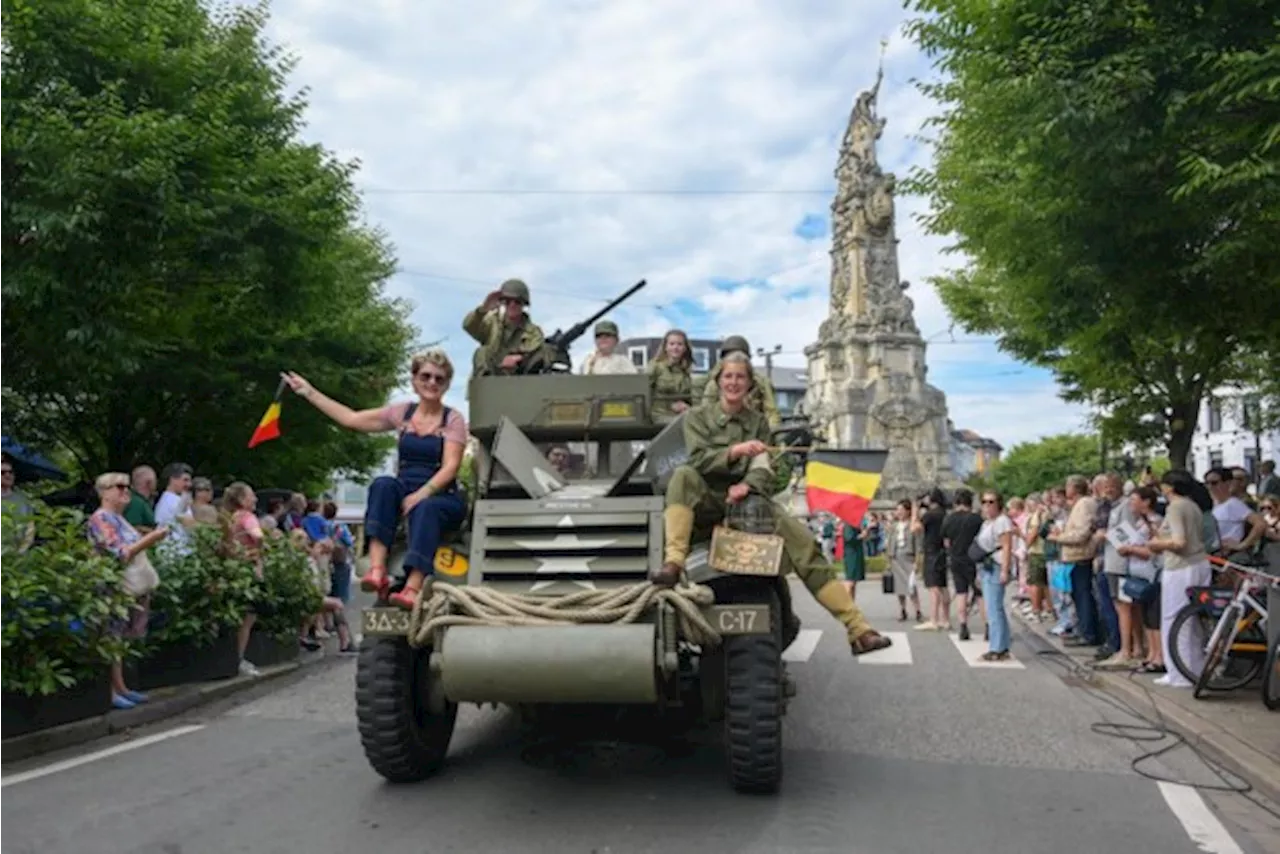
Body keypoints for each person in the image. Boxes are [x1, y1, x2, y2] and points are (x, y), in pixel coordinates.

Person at [652, 351, 891, 655]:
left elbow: (765, 468)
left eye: (740, 377)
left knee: (805, 545)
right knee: (683, 476)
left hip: (745, 501)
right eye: (728, 376)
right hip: (705, 496)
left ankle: (858, 629)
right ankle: (674, 561)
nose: (734, 382)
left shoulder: (758, 422)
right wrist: (737, 450)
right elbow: (698, 460)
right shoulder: (698, 417)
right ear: (718, 381)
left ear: (750, 383)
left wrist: (748, 485)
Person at [282, 349, 469, 611]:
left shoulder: (453, 420)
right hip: (404, 486)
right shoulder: (403, 413)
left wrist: (421, 494)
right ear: (414, 380)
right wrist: (310, 392)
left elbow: (451, 466)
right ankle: (377, 569)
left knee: (426, 508)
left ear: (447, 384)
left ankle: (413, 587)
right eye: (425, 376)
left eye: (439, 379)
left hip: (440, 495)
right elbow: (351, 419)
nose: (432, 383)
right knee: (382, 484)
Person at [87, 472, 169, 709]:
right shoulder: (101, 518)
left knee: (118, 639)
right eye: (119, 487)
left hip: (122, 588)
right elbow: (121, 553)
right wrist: (152, 538)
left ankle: (120, 687)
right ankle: (111, 692)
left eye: (127, 488)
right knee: (110, 639)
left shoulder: (117, 518)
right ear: (104, 492)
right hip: (110, 587)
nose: (125, 492)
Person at [1145, 469, 1211, 688]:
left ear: (1169, 487)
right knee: (1192, 621)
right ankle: (1194, 668)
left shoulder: (1176, 507)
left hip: (1180, 566)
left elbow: (1179, 542)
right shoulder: (1193, 505)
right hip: (1200, 564)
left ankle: (1178, 673)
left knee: (1174, 619)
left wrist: (1156, 545)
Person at [462, 278, 545, 378]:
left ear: (524, 304)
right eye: (508, 301)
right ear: (502, 302)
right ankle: (486, 385)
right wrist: (483, 309)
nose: (512, 305)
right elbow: (468, 326)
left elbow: (536, 356)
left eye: (517, 301)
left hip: (518, 380)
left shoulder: (534, 332)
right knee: (482, 352)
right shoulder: (492, 323)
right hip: (491, 378)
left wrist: (518, 359)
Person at [700, 335, 781, 428]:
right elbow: (706, 410)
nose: (733, 382)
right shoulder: (715, 383)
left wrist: (771, 434)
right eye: (730, 355)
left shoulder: (761, 383)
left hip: (754, 429)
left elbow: (771, 412)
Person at [974, 490, 1015, 661]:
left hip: (996, 566)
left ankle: (997, 647)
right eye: (984, 502)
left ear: (999, 504)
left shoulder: (1002, 521)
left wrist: (1005, 570)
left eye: (991, 502)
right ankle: (1002, 645)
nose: (987, 505)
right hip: (987, 565)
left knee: (993, 608)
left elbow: (1006, 547)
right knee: (994, 607)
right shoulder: (987, 523)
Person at [942, 488, 984, 641]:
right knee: (980, 594)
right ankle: (987, 627)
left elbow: (946, 542)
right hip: (975, 559)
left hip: (956, 558)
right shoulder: (976, 519)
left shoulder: (949, 519)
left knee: (961, 593)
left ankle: (963, 626)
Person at [916, 488, 950, 631]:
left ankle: (934, 619)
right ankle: (945, 619)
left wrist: (914, 511)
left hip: (931, 551)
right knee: (943, 586)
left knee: (933, 587)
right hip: (942, 550)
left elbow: (915, 528)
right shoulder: (944, 514)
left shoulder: (930, 515)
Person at [886, 498, 923, 622]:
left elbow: (918, 544)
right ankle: (902, 610)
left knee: (911, 585)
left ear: (908, 511)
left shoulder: (912, 526)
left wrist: (917, 561)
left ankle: (917, 610)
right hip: (896, 557)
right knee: (899, 586)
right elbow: (890, 542)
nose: (899, 512)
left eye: (901, 509)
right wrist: (889, 558)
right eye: (897, 510)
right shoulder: (894, 526)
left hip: (908, 557)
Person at [647, 329, 696, 419]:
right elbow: (645, 394)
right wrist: (670, 405)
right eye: (672, 344)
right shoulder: (655, 366)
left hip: (680, 416)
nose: (675, 347)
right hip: (657, 415)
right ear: (665, 347)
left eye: (679, 344)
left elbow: (689, 398)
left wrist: (687, 406)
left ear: (685, 348)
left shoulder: (685, 371)